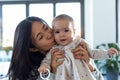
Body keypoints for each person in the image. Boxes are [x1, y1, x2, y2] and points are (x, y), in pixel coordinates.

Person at [6, 16, 92, 80]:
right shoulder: (33, 72)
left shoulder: (74, 48)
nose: (49, 35)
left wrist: (89, 64)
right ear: (33, 48)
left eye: (46, 28)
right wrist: (52, 70)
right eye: (40, 37)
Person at [38, 14, 118, 80]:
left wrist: (107, 53)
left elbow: (93, 53)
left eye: (66, 30)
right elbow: (46, 61)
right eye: (57, 32)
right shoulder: (54, 50)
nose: (62, 34)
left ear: (74, 31)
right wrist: (44, 68)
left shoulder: (80, 43)